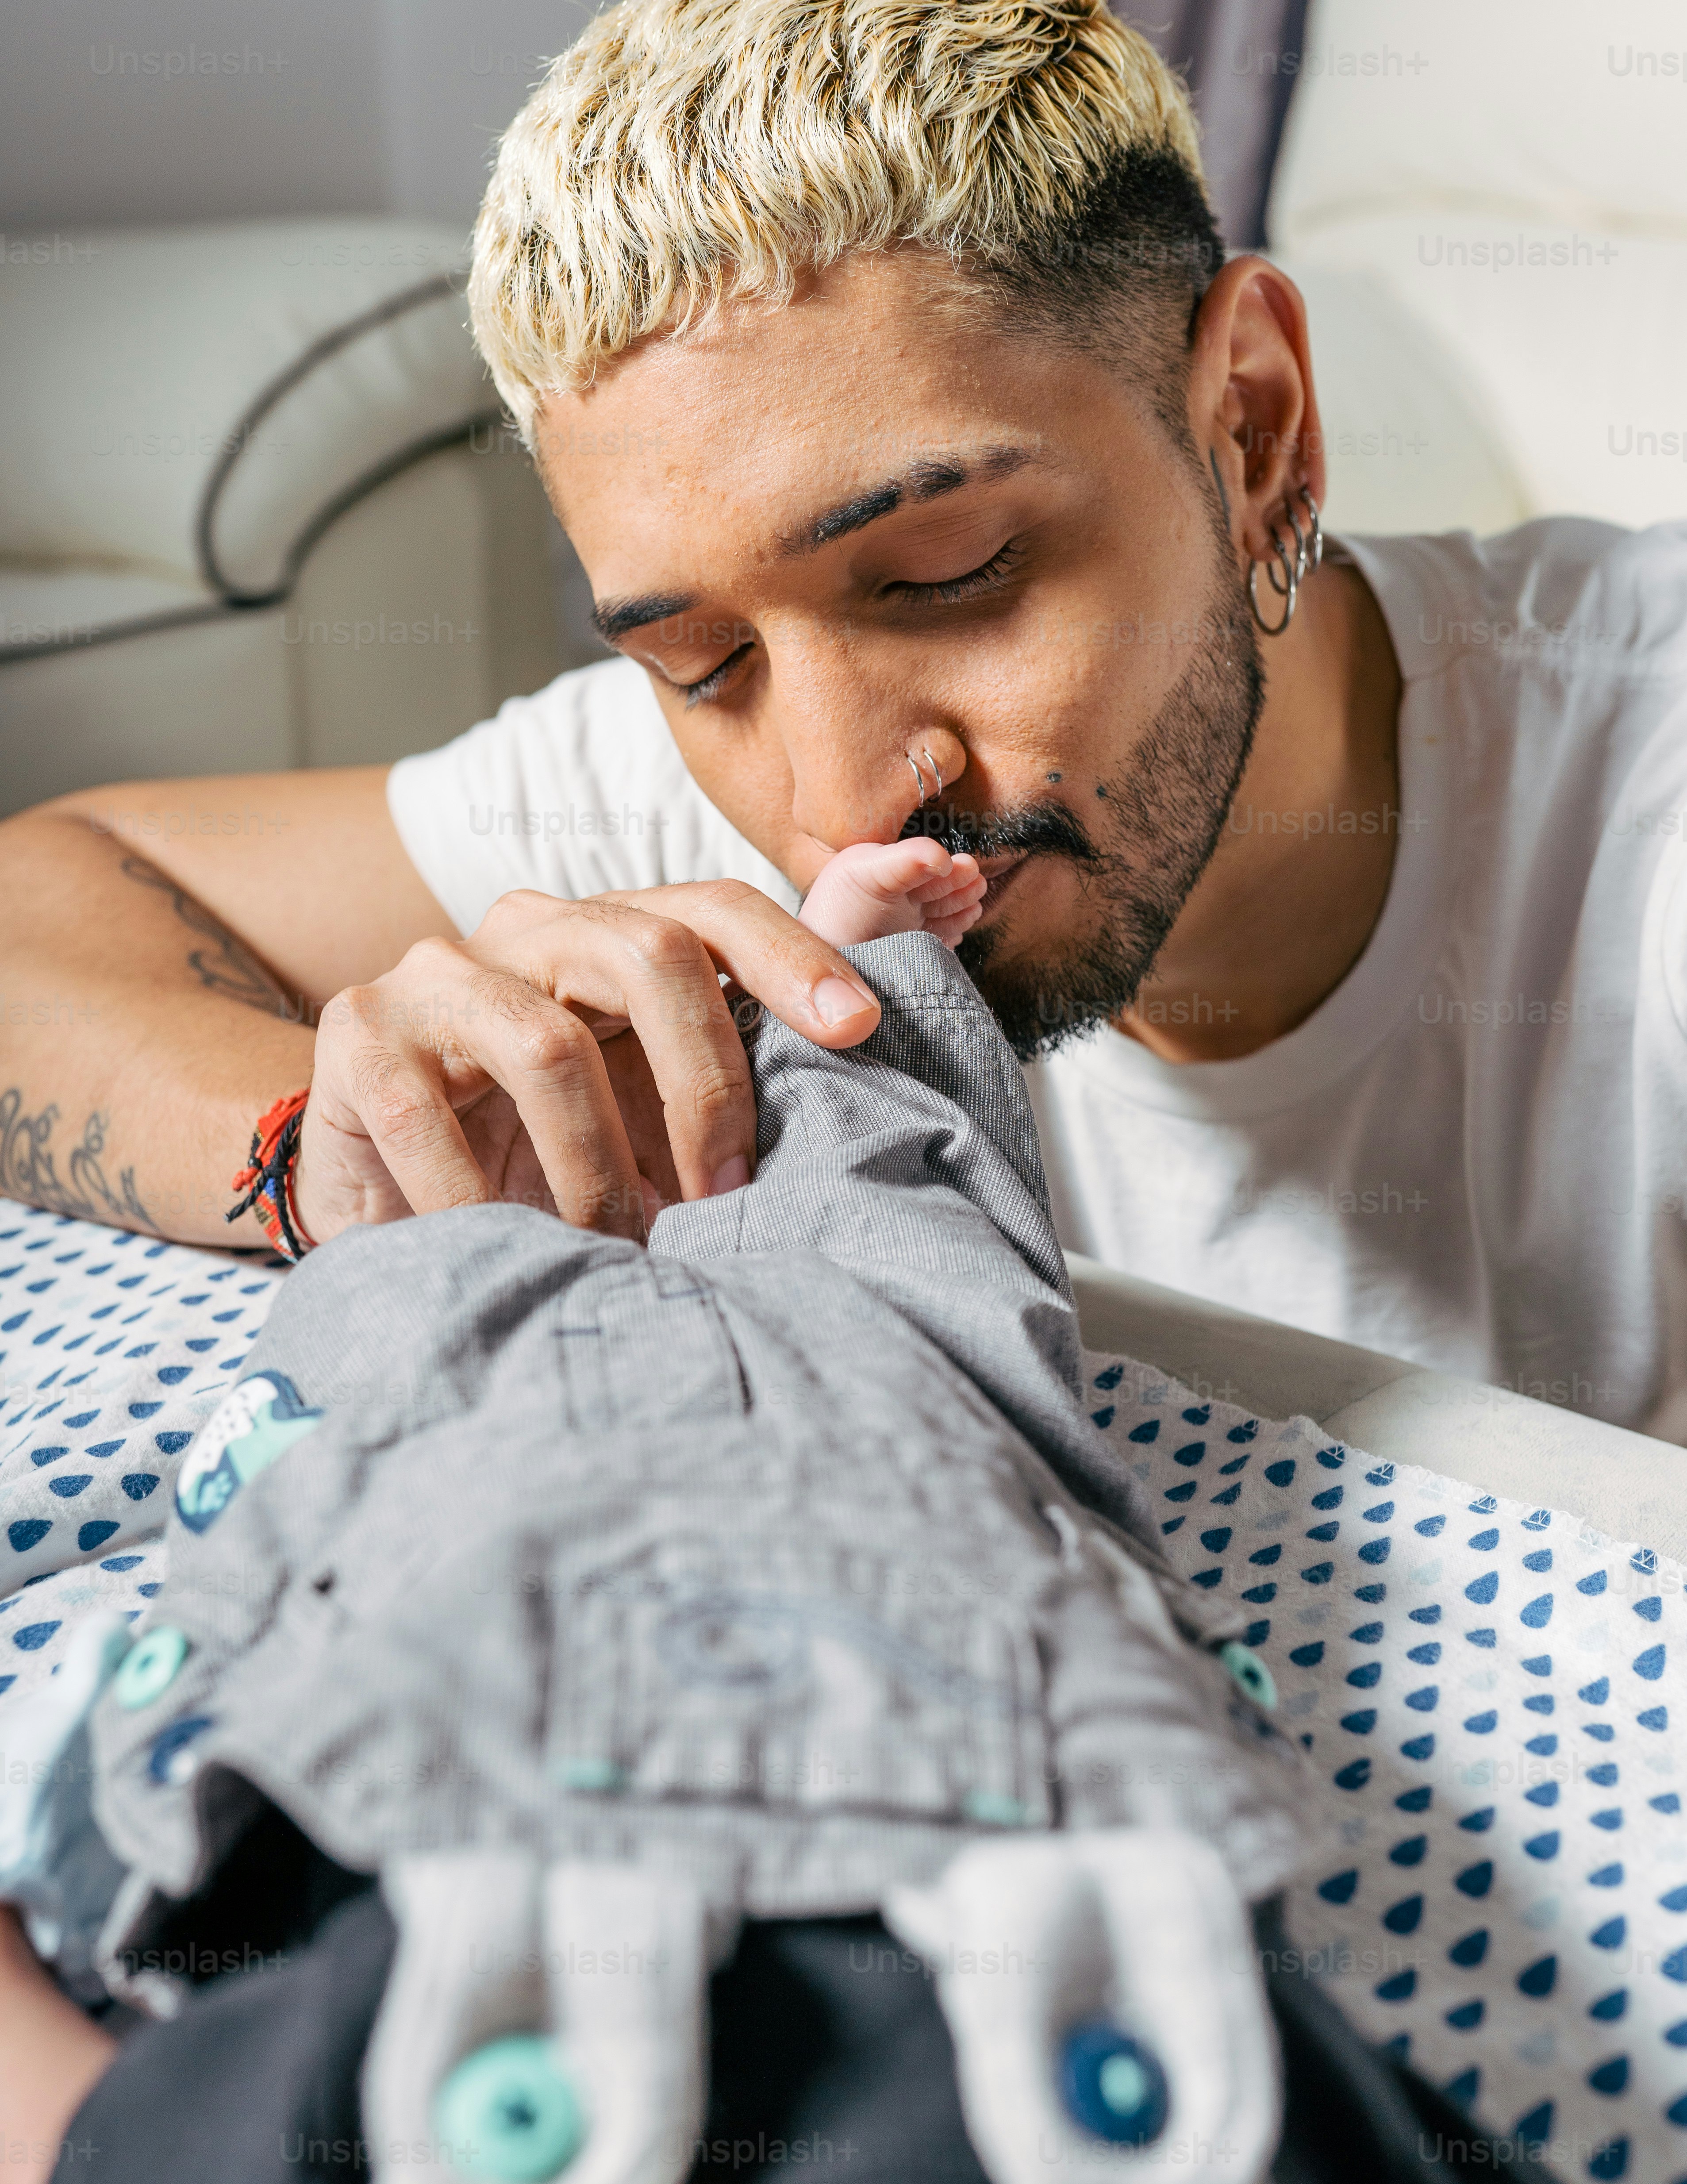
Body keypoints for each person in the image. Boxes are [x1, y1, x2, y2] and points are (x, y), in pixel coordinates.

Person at [2, 852, 1681, 2184]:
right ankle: (860, 974)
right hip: (944, 1542)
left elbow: (38, 2143)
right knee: (905, 1216)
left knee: (418, 1262)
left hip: (430, 1530)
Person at [4, 0, 1685, 1427]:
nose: (843, 796)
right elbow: (37, 905)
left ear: (1251, 429)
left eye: (948, 571)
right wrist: (332, 1145)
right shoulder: (669, 810)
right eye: (698, 665)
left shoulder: (1641, 814)